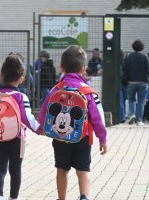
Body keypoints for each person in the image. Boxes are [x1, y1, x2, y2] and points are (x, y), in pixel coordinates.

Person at [38, 45, 108, 200]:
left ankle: (61, 198)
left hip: (61, 137)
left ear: (62, 68)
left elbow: (45, 110)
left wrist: (42, 127)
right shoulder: (88, 91)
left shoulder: (56, 89)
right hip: (83, 137)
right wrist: (102, 138)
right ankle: (84, 196)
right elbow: (97, 117)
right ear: (83, 69)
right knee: (83, 170)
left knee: (62, 169)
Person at [0, 54, 40, 200]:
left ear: (1, 75)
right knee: (15, 170)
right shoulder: (21, 97)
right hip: (17, 139)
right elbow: (27, 119)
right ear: (21, 78)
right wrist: (40, 130)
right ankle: (13, 197)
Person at [122, 39, 149, 126]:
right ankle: (139, 120)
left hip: (131, 82)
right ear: (142, 47)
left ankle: (132, 115)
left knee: (131, 99)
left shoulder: (128, 56)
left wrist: (125, 79)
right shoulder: (145, 57)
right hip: (143, 83)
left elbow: (124, 68)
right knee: (141, 101)